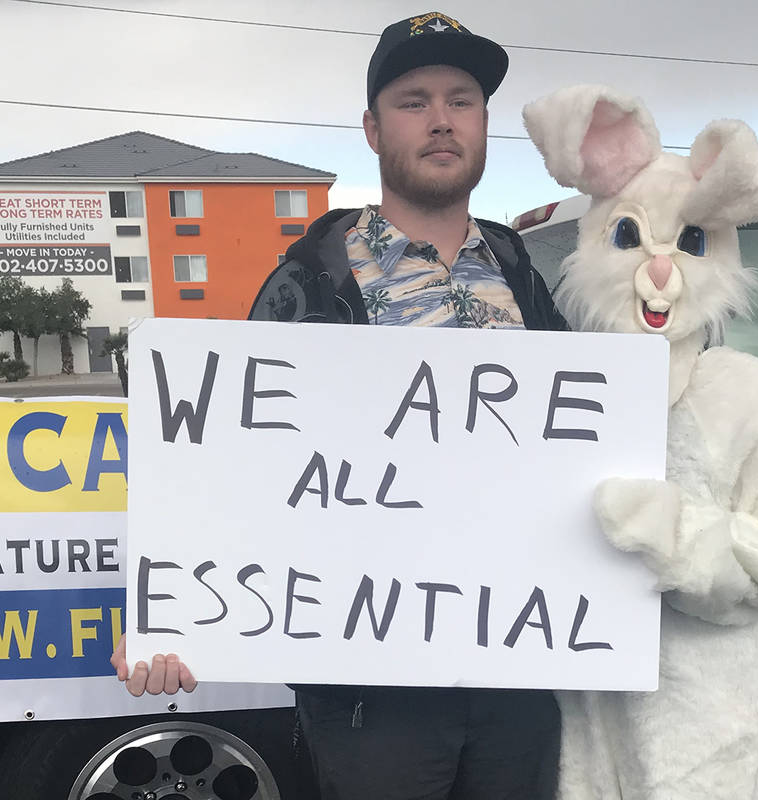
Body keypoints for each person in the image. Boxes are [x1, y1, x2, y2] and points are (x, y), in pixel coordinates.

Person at [112, 11, 569, 800]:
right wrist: (169, 609)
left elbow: (580, 448)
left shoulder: (521, 271)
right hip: (371, 688)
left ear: (484, 124)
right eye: (412, 99)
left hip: (516, 671)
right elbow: (228, 456)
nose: (439, 119)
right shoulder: (310, 281)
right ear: (370, 127)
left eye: (462, 100)